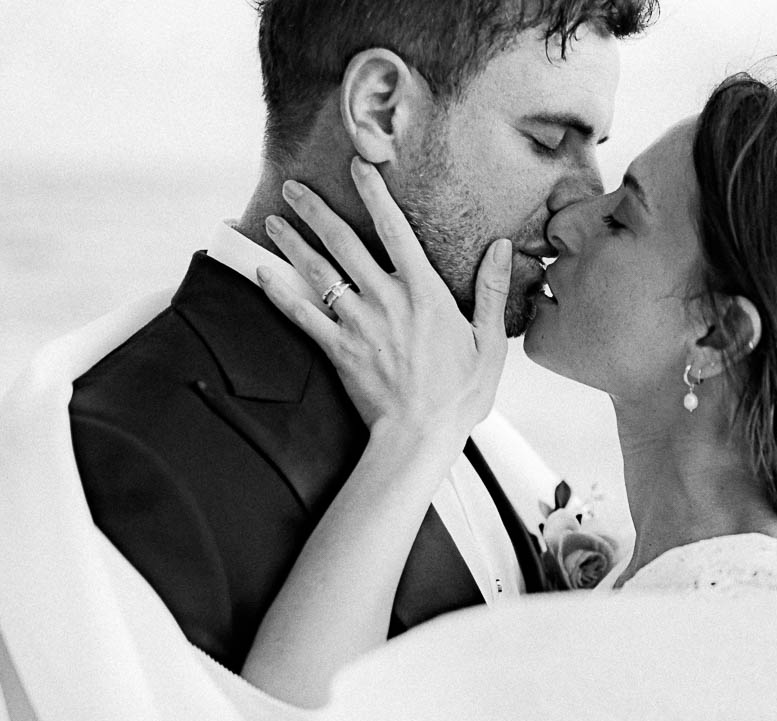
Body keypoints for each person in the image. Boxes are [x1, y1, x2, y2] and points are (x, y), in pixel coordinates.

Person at [242, 71, 777, 705]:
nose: (569, 220)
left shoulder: (742, 636)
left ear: (715, 336)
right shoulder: (667, 576)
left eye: (622, 218)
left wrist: (414, 433)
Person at [67, 0, 657, 673]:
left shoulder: (466, 406)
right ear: (381, 109)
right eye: (548, 141)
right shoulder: (140, 447)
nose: (582, 202)